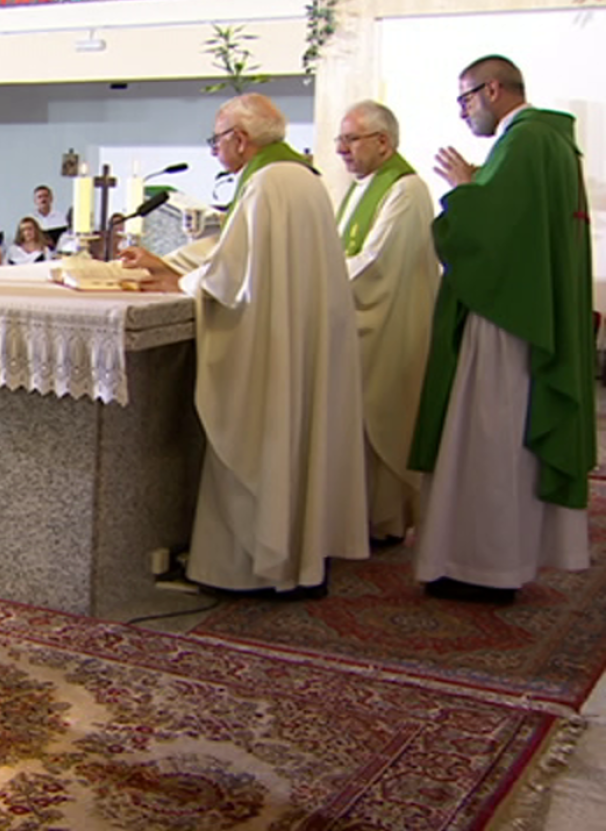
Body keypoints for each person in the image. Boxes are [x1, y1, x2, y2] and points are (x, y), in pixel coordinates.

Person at [127, 92, 368, 596]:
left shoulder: (265, 184)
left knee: (260, 441)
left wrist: (180, 283)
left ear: (240, 138)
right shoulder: (302, 178)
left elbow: (231, 274)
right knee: (293, 447)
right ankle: (296, 561)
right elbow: (239, 251)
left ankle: (250, 568)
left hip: (269, 346)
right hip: (300, 339)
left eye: (216, 140)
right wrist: (171, 264)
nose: (215, 150)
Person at [408, 56, 593, 602]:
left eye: (465, 99)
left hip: (504, 323)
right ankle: (494, 559)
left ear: (493, 89)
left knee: (488, 441)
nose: (463, 112)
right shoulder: (550, 141)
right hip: (523, 310)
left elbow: (489, 236)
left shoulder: (526, 141)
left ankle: (481, 567)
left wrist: (464, 188)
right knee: (500, 442)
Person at [331, 100, 438, 545]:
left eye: (350, 139)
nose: (341, 150)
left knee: (381, 415)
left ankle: (385, 520)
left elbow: (376, 265)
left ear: (383, 142)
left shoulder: (406, 190)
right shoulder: (364, 186)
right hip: (359, 318)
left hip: (389, 323)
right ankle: (358, 516)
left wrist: (316, 282)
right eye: (340, 140)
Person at [26, 185, 69, 249]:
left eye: (45, 196)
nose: (43, 199)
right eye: (39, 197)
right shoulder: (30, 219)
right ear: (35, 201)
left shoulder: (62, 218)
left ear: (51, 199)